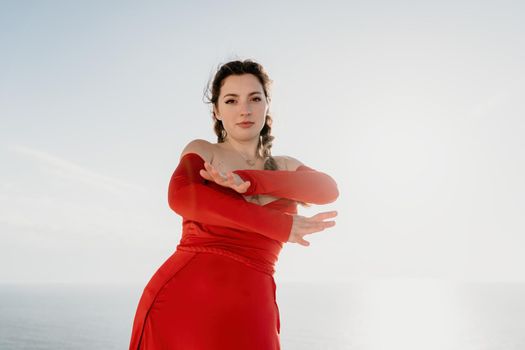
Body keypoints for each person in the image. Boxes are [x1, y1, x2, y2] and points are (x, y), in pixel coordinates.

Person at [128, 59, 339, 349]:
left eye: (255, 98)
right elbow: (180, 196)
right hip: (184, 303)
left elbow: (327, 190)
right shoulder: (204, 152)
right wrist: (279, 225)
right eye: (231, 100)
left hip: (254, 309)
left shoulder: (286, 164)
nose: (245, 109)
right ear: (216, 110)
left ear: (267, 104)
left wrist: (252, 181)